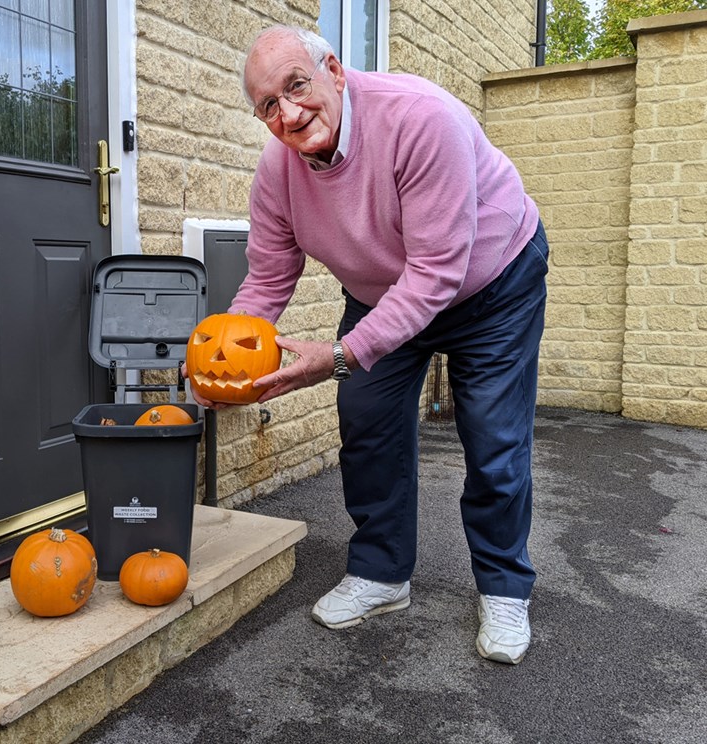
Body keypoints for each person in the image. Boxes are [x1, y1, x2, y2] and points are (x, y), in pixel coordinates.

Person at [190, 24, 549, 665]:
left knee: (494, 439)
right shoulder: (278, 171)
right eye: (268, 105)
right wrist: (225, 352)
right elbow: (269, 276)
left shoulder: (421, 119)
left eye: (296, 86)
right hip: (385, 287)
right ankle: (382, 574)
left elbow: (437, 271)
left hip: (492, 280)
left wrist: (340, 354)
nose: (289, 113)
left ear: (334, 70)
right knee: (366, 421)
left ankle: (502, 587)